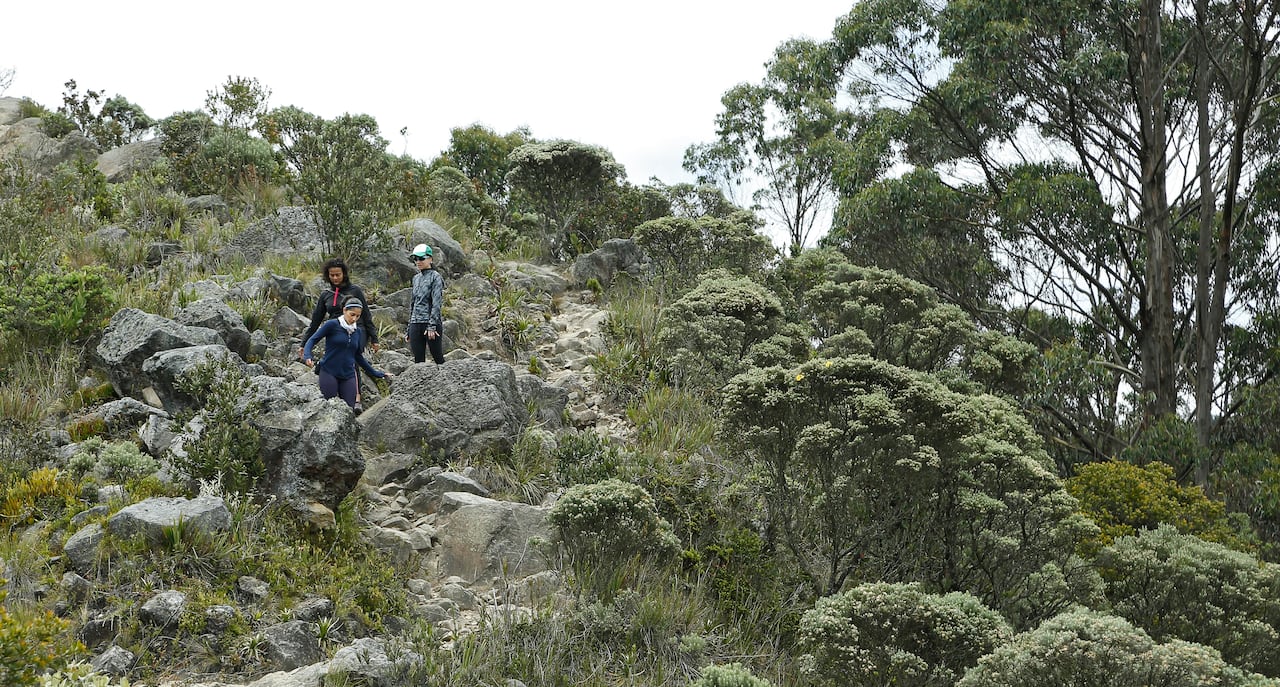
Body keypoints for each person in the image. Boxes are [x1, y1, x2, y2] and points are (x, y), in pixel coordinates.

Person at [299, 257, 379, 409]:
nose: (335, 278)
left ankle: (357, 399)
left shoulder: (355, 291)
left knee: (352, 356)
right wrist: (304, 343)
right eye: (332, 275)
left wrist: (374, 338)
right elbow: (315, 322)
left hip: (357, 329)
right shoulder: (326, 294)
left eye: (338, 275)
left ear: (344, 274)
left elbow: (367, 316)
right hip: (335, 329)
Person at [302, 298, 391, 410]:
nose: (354, 319)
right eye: (352, 314)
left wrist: (378, 373)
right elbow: (312, 340)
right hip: (329, 372)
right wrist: (307, 355)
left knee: (349, 410)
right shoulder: (332, 325)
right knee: (330, 408)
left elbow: (358, 356)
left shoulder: (357, 331)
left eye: (358, 316)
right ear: (344, 310)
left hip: (348, 375)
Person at [407, 243, 446, 364]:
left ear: (430, 259)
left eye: (421, 258)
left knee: (437, 357)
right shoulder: (416, 278)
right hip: (415, 323)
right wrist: (409, 328)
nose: (418, 261)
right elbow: (413, 304)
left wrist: (432, 326)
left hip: (430, 323)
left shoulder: (436, 277)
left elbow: (436, 303)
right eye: (416, 259)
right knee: (418, 361)